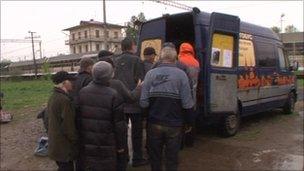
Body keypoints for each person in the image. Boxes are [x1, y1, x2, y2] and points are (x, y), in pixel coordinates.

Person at [140, 46, 194, 171]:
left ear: (160, 58)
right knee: (172, 157)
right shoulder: (181, 75)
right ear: (175, 58)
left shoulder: (150, 74)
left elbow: (143, 102)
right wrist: (189, 122)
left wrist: (145, 117)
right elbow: (187, 103)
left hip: (154, 122)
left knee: (155, 157)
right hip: (174, 124)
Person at [77, 61, 128, 171]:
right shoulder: (113, 95)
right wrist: (121, 147)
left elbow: (78, 120)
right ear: (111, 75)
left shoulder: (82, 92)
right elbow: (119, 126)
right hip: (108, 145)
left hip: (88, 144)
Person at [114, 37, 148, 167]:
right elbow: (141, 81)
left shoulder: (116, 60)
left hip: (119, 103)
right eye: (135, 45)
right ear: (132, 46)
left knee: (121, 132)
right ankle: (137, 159)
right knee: (136, 133)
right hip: (134, 103)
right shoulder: (137, 60)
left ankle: (124, 158)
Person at [47, 71, 78, 171]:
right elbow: (68, 126)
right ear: (64, 83)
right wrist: (75, 140)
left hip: (56, 144)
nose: (72, 83)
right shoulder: (64, 100)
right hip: (63, 146)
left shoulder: (53, 96)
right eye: (70, 81)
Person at [178, 43, 200, 147]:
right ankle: (190, 142)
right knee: (191, 120)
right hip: (192, 96)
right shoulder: (196, 62)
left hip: (181, 96)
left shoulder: (179, 61)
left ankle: (181, 143)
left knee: (180, 121)